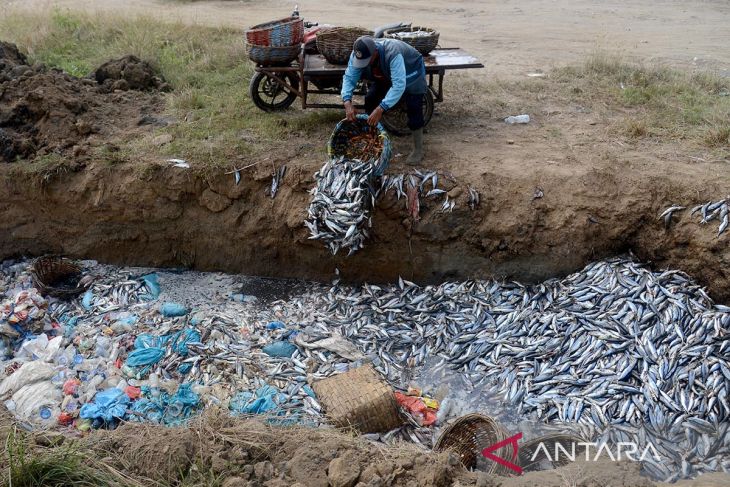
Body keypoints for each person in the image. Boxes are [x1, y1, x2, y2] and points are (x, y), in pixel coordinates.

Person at [341, 36, 427, 165]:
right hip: (385, 72)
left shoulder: (392, 53)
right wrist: (347, 102)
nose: (364, 63)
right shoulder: (358, 53)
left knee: (414, 104)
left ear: (375, 52)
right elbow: (349, 77)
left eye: (367, 60)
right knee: (370, 98)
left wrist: (381, 108)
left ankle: (418, 150)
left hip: (411, 68)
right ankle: (374, 140)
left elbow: (399, 85)